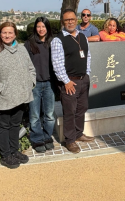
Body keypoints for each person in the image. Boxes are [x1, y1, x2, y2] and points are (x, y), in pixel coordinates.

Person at [0, 22, 36, 169]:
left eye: (10, 33)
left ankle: (14, 150)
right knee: (3, 126)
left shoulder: (21, 49)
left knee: (15, 125)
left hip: (21, 95)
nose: (7, 35)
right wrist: (0, 90)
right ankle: (6, 155)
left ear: (15, 34)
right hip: (4, 98)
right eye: (4, 33)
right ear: (0, 34)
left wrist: (30, 82)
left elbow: (31, 68)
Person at [51, 9, 94, 154]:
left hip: (83, 80)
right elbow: (57, 63)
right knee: (69, 111)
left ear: (76, 20)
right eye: (67, 20)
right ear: (63, 22)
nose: (70, 22)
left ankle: (78, 133)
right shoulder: (58, 40)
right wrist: (66, 81)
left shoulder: (82, 36)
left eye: (72, 19)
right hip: (70, 82)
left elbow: (87, 57)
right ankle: (70, 140)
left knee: (81, 108)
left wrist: (87, 74)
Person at [24, 17, 56, 153]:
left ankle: (47, 136)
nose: (41, 29)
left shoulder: (53, 43)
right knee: (35, 115)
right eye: (38, 27)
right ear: (35, 28)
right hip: (35, 84)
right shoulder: (29, 44)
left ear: (47, 28)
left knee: (49, 114)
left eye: (43, 26)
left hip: (50, 83)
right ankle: (37, 138)